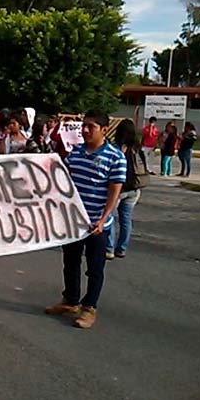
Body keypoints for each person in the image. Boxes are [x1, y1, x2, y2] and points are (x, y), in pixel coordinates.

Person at [45, 110, 126, 329]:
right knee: (70, 263)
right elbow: (65, 183)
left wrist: (103, 219)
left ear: (104, 129)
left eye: (91, 126)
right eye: (84, 126)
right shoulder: (75, 152)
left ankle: (89, 307)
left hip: (96, 225)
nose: (85, 130)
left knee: (94, 268)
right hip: (73, 222)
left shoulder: (115, 157)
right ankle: (70, 300)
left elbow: (114, 193)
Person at [106, 119, 147, 260]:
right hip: (135, 188)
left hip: (118, 189)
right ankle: (121, 249)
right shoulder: (137, 147)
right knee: (126, 219)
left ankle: (109, 248)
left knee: (109, 218)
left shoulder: (115, 148)